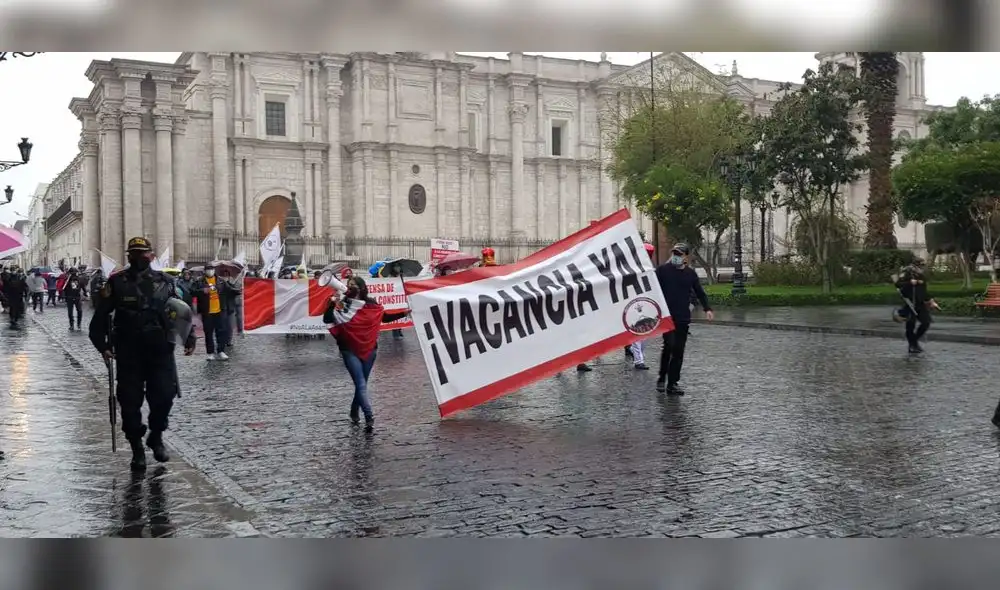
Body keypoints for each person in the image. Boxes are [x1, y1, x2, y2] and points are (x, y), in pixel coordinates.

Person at [89, 237, 197, 471]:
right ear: (129, 256)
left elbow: (180, 313)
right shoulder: (116, 283)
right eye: (135, 253)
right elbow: (100, 318)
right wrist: (102, 345)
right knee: (129, 403)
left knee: (164, 397)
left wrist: (189, 337)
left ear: (151, 255)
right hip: (129, 352)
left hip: (160, 350)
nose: (139, 257)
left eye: (143, 253)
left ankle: (156, 435)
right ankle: (137, 447)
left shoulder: (166, 282)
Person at [323, 276, 409, 432]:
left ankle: (354, 410)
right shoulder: (341, 303)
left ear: (362, 288)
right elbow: (327, 318)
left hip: (370, 348)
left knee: (361, 384)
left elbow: (384, 317)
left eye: (353, 285)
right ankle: (369, 416)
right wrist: (331, 303)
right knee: (361, 384)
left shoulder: (371, 304)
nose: (349, 287)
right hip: (349, 349)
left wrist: (404, 312)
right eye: (348, 285)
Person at [655, 243, 713, 395]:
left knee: (678, 351)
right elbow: (650, 287)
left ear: (686, 257)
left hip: (682, 317)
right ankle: (662, 377)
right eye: (674, 253)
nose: (676, 256)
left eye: (679, 254)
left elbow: (699, 292)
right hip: (667, 316)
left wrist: (707, 308)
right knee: (669, 345)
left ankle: (673, 383)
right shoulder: (662, 271)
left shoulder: (690, 274)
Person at [894, 258, 940, 353]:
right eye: (921, 265)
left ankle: (914, 341)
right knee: (911, 325)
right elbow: (898, 284)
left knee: (926, 322)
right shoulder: (907, 272)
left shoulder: (921, 276)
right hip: (910, 303)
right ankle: (912, 345)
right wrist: (909, 283)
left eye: (923, 266)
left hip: (920, 303)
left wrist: (931, 301)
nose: (922, 268)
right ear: (915, 265)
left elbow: (923, 291)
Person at [193, 262, 234, 360]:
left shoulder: (220, 281)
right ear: (205, 271)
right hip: (207, 312)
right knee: (208, 333)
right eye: (208, 269)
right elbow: (191, 291)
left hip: (219, 311)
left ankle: (221, 351)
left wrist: (239, 290)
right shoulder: (199, 281)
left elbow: (230, 290)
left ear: (214, 270)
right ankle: (210, 353)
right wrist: (202, 291)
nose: (210, 271)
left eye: (211, 269)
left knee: (221, 331)